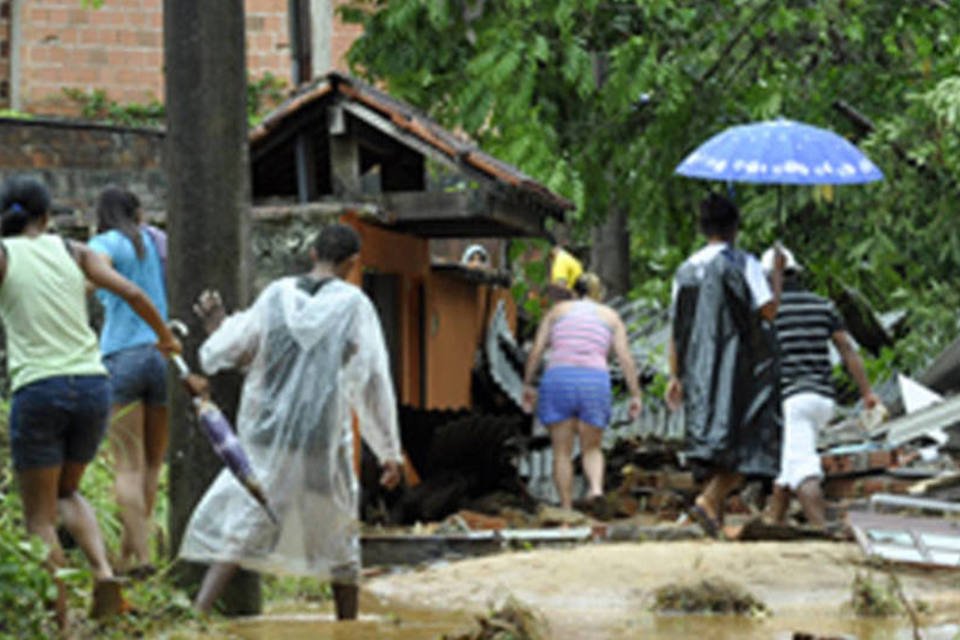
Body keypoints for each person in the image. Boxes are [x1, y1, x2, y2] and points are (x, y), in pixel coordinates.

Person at [179, 223, 403, 619]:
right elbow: (372, 380)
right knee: (338, 532)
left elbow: (232, 347)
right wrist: (388, 450)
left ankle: (196, 615)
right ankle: (347, 626)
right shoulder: (354, 305)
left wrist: (216, 329)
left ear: (313, 254)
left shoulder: (276, 294)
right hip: (321, 438)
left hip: (266, 433)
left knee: (244, 524)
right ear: (352, 264)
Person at [0, 176, 180, 626]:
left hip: (39, 388)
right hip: (93, 385)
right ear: (47, 217)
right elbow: (133, 293)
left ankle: (62, 624)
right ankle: (103, 572)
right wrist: (164, 338)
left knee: (39, 518)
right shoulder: (73, 251)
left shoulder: (4, 255)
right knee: (68, 491)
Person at [665, 193, 784, 538]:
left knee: (712, 449)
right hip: (739, 373)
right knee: (750, 451)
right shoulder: (742, 263)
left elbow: (677, 327)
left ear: (703, 228)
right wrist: (775, 277)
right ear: (735, 227)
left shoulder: (685, 270)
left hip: (698, 372)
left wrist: (675, 375)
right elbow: (769, 312)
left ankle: (712, 521)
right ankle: (708, 501)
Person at [760, 246, 880, 528]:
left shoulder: (770, 313)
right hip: (824, 400)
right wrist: (867, 393)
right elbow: (848, 350)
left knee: (804, 470)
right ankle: (773, 521)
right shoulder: (822, 306)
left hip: (794, 400)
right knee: (789, 467)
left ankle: (823, 529)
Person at [88, 186, 169, 577]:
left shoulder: (104, 243)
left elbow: (93, 270)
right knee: (153, 464)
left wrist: (90, 280)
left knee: (126, 467)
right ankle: (130, 553)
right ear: (137, 212)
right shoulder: (153, 244)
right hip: (161, 353)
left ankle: (143, 559)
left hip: (121, 356)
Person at [521, 272, 643, 511]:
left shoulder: (557, 312)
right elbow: (625, 358)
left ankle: (566, 508)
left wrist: (527, 383)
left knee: (561, 452)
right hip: (594, 381)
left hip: (559, 379)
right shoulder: (611, 316)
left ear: (574, 291)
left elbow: (536, 351)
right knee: (592, 448)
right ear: (599, 295)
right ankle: (595, 488)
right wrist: (635, 394)